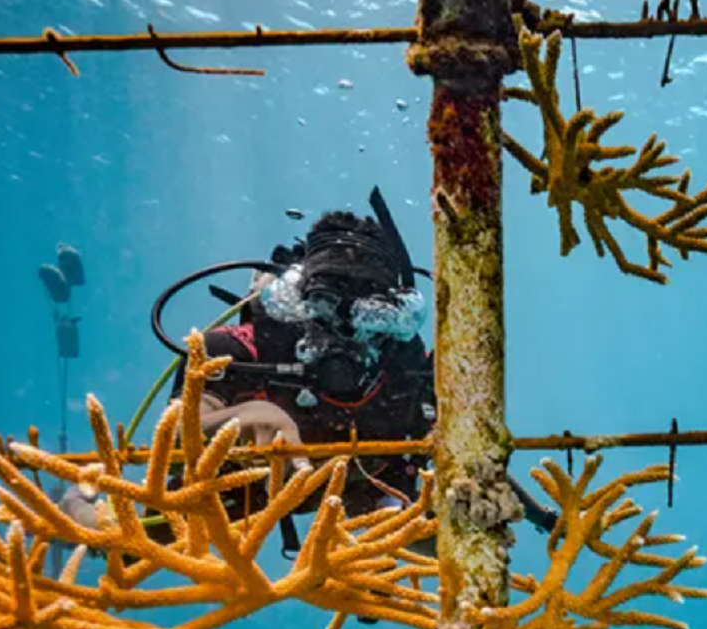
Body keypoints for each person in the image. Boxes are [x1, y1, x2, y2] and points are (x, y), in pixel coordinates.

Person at [63, 189, 553, 549]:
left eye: (366, 317)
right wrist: (253, 414)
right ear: (295, 302)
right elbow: (177, 436)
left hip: (369, 502)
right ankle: (64, 500)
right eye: (322, 308)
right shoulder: (232, 350)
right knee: (110, 540)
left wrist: (532, 513)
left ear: (395, 316)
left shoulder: (412, 372)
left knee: (453, 546)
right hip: (248, 494)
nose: (341, 334)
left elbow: (467, 453)